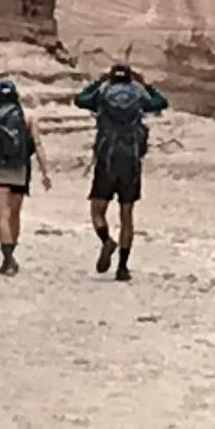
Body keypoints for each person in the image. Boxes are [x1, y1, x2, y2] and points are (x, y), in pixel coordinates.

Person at [73, 63, 169, 279]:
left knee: (97, 210)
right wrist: (146, 84)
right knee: (127, 215)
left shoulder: (103, 94)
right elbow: (161, 102)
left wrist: (99, 81)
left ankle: (106, 240)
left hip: (107, 159)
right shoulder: (138, 96)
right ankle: (123, 268)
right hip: (131, 161)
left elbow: (80, 100)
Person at [0, 80, 37, 271]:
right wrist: (45, 172)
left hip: (1, 171)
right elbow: (38, 145)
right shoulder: (27, 117)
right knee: (15, 215)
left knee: (2, 216)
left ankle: (8, 259)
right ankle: (12, 253)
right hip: (20, 170)